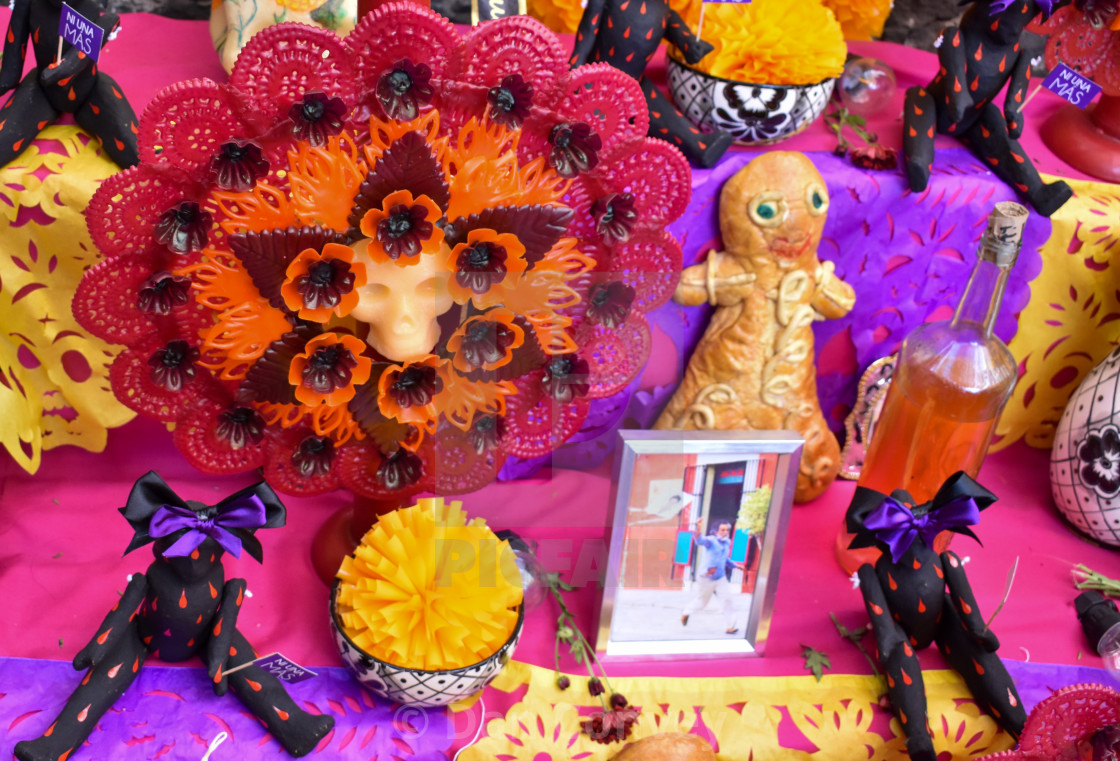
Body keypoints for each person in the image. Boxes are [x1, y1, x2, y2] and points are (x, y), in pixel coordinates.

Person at [681, 521, 739, 634]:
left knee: (727, 600)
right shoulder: (711, 541)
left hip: (720, 577)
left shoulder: (727, 542)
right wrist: (698, 527)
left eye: (727, 530)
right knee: (703, 602)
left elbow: (725, 559)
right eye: (722, 530)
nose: (725, 532)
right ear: (716, 531)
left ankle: (730, 626)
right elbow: (699, 540)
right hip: (706, 577)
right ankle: (687, 611)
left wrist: (735, 565)